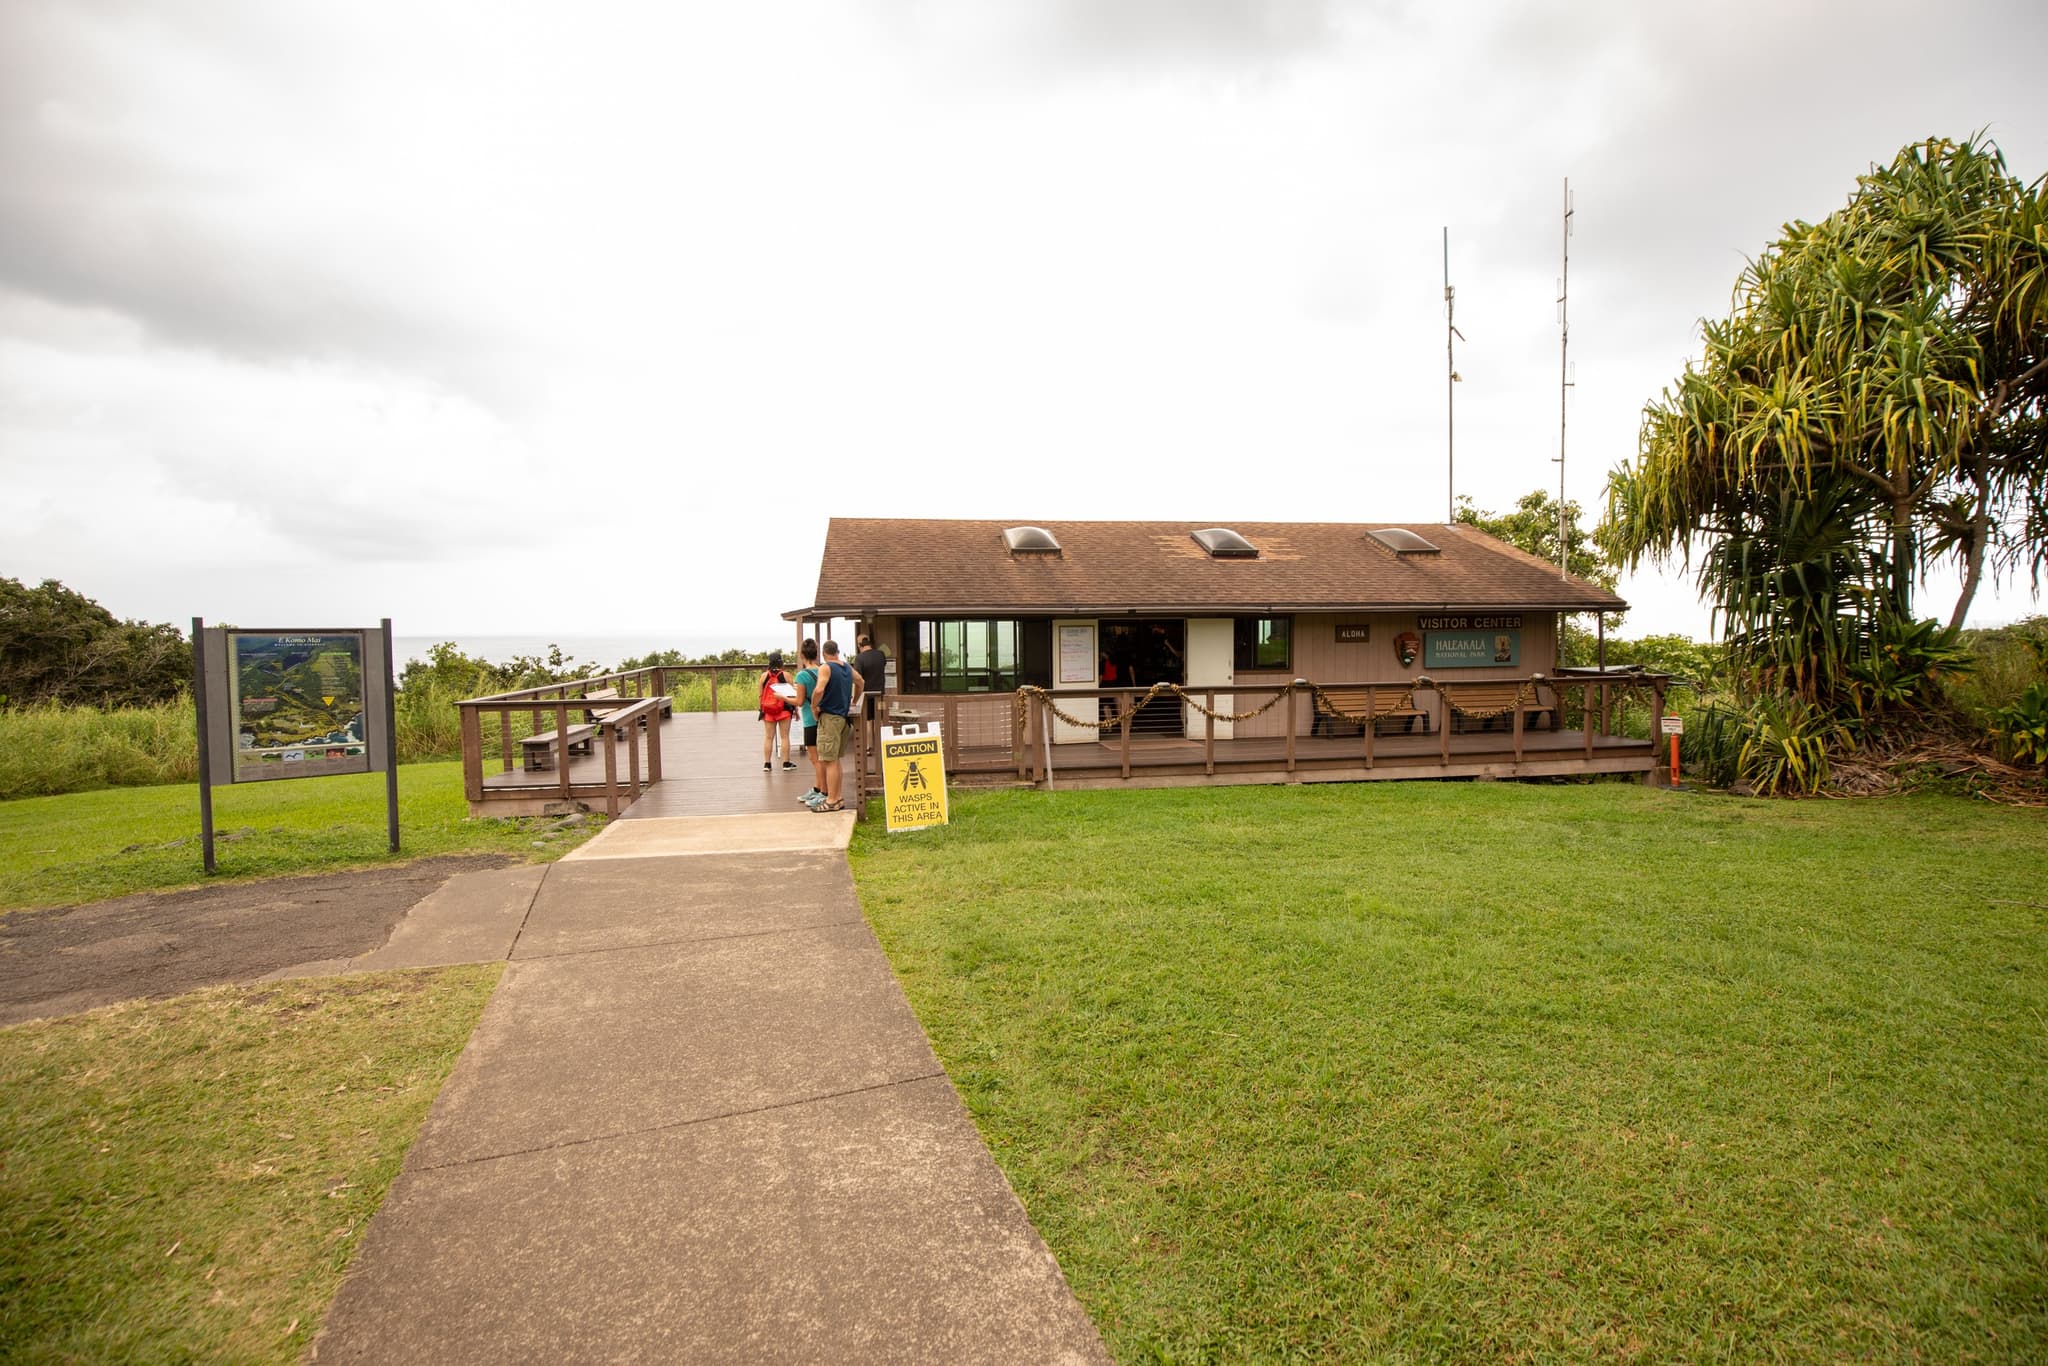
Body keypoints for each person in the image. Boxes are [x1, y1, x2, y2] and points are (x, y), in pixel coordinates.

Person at [811, 639, 863, 812]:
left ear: (825, 654)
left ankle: (832, 800)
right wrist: (854, 701)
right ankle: (838, 797)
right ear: (837, 651)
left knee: (828, 760)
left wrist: (813, 707)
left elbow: (819, 690)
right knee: (835, 760)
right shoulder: (847, 667)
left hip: (829, 718)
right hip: (842, 718)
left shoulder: (826, 667)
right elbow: (861, 681)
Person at [791, 640, 828, 808]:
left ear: (802, 655)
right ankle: (817, 788)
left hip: (809, 719)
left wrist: (783, 697)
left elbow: (799, 701)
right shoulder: (823, 670)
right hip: (823, 718)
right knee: (820, 758)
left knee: (815, 759)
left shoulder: (802, 676)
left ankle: (823, 792)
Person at [757, 650, 796, 771]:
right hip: (784, 710)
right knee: (784, 736)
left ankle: (767, 764)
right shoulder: (786, 675)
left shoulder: (764, 676)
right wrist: (795, 710)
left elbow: (760, 695)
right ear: (781, 662)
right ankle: (785, 763)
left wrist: (762, 710)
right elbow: (792, 694)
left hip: (768, 711)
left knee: (769, 737)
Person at [853, 633, 888, 722]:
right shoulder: (881, 654)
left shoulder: (859, 658)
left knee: (868, 722)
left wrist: (855, 700)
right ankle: (879, 736)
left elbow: (857, 680)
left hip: (866, 697)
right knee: (880, 721)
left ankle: (869, 736)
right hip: (880, 695)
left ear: (859, 645)